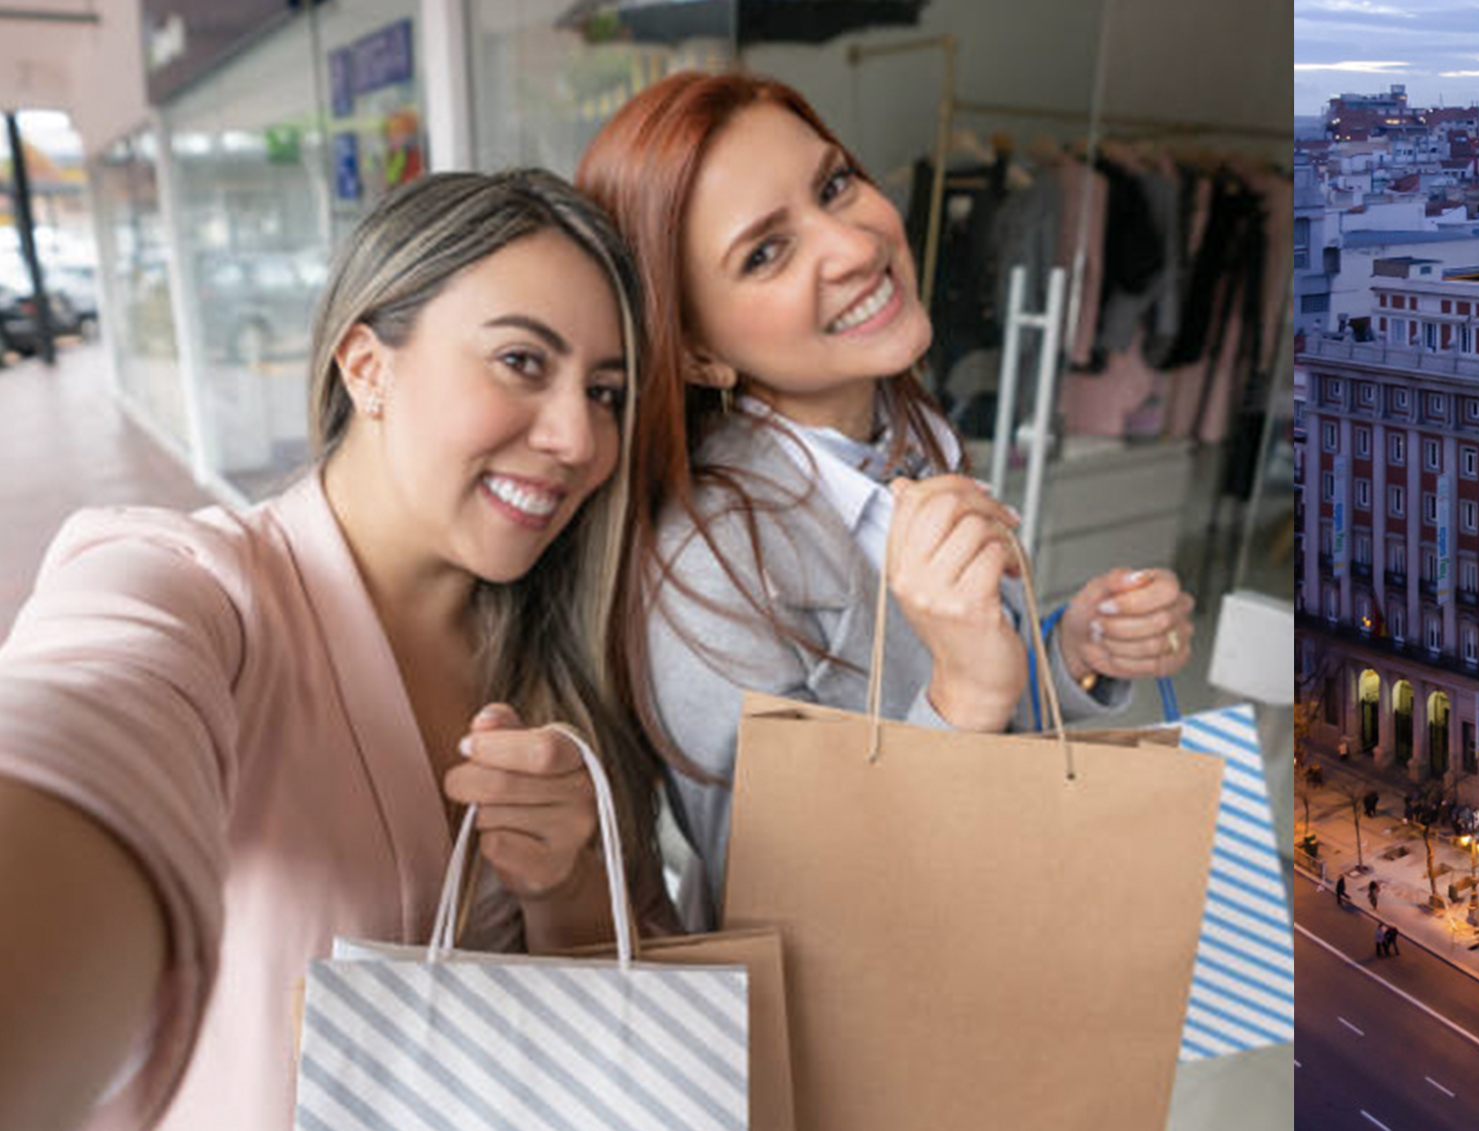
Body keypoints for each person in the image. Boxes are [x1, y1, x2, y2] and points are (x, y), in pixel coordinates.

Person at [0, 171, 666, 1130]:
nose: (577, 438)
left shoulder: (568, 653)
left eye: (606, 392)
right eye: (523, 361)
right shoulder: (200, 591)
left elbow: (618, 1021)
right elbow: (92, 713)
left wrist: (564, 887)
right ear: (367, 366)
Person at [577, 73, 1195, 927]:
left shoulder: (909, 431)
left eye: (834, 184)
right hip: (869, 1044)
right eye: (766, 252)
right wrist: (961, 698)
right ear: (694, 354)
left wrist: (1074, 655)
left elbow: (1001, 730)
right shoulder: (702, 567)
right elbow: (775, 901)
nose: (855, 246)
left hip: (1015, 960)